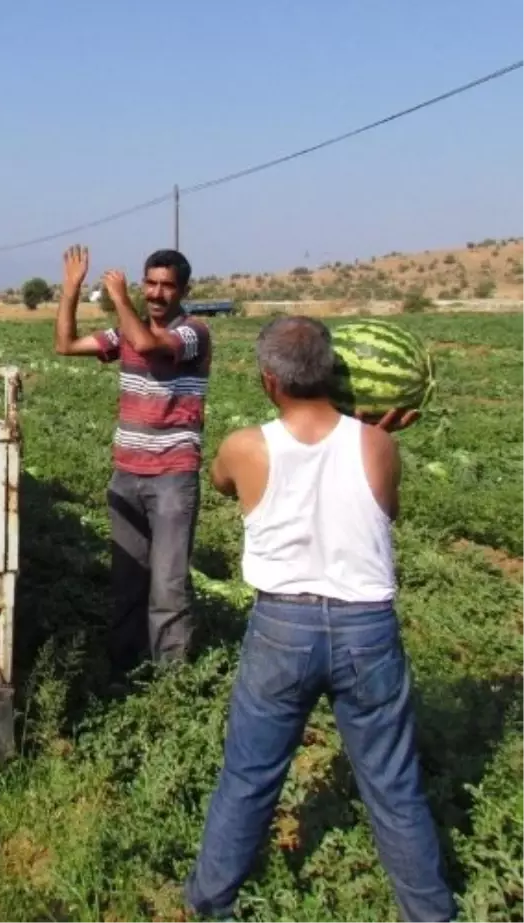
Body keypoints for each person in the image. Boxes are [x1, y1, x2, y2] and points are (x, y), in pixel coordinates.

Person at [183, 315, 456, 922]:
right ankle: (431, 913)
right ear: (334, 370)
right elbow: (389, 509)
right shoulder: (379, 446)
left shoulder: (244, 446)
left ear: (268, 380)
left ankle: (210, 903)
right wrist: (378, 432)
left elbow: (224, 485)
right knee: (393, 784)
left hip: (283, 629)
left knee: (250, 776)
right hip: (368, 632)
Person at [54, 245, 212, 681]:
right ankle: (124, 668)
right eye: (152, 284)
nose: (157, 294)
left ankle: (171, 682)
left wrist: (120, 298)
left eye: (167, 286)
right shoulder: (126, 330)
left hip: (173, 477)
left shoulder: (193, 332)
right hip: (126, 473)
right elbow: (65, 345)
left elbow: (146, 342)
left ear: (183, 290)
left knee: (168, 585)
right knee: (126, 581)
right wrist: (70, 289)